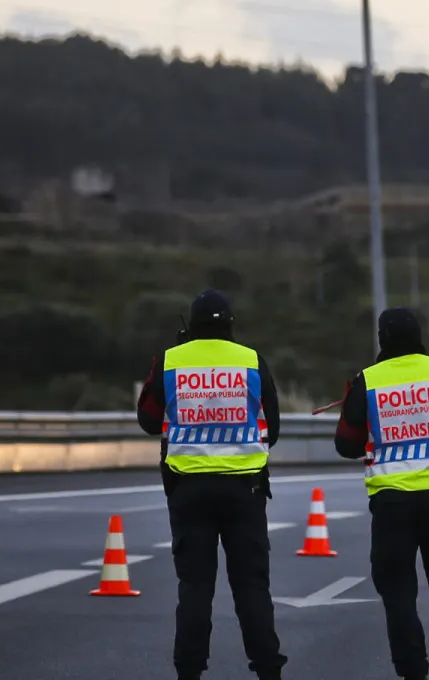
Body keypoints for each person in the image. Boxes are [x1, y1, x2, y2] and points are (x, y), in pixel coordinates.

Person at [136, 290, 286, 680]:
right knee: (252, 587)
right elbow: (273, 429)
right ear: (230, 325)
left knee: (195, 587)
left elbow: (149, 420)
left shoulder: (171, 361)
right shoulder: (252, 360)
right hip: (245, 491)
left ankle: (189, 671)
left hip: (189, 489)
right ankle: (268, 670)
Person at [334, 308, 429, 680]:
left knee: (399, 595)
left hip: (391, 505)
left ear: (381, 339)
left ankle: (413, 671)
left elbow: (347, 445)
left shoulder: (367, 381)